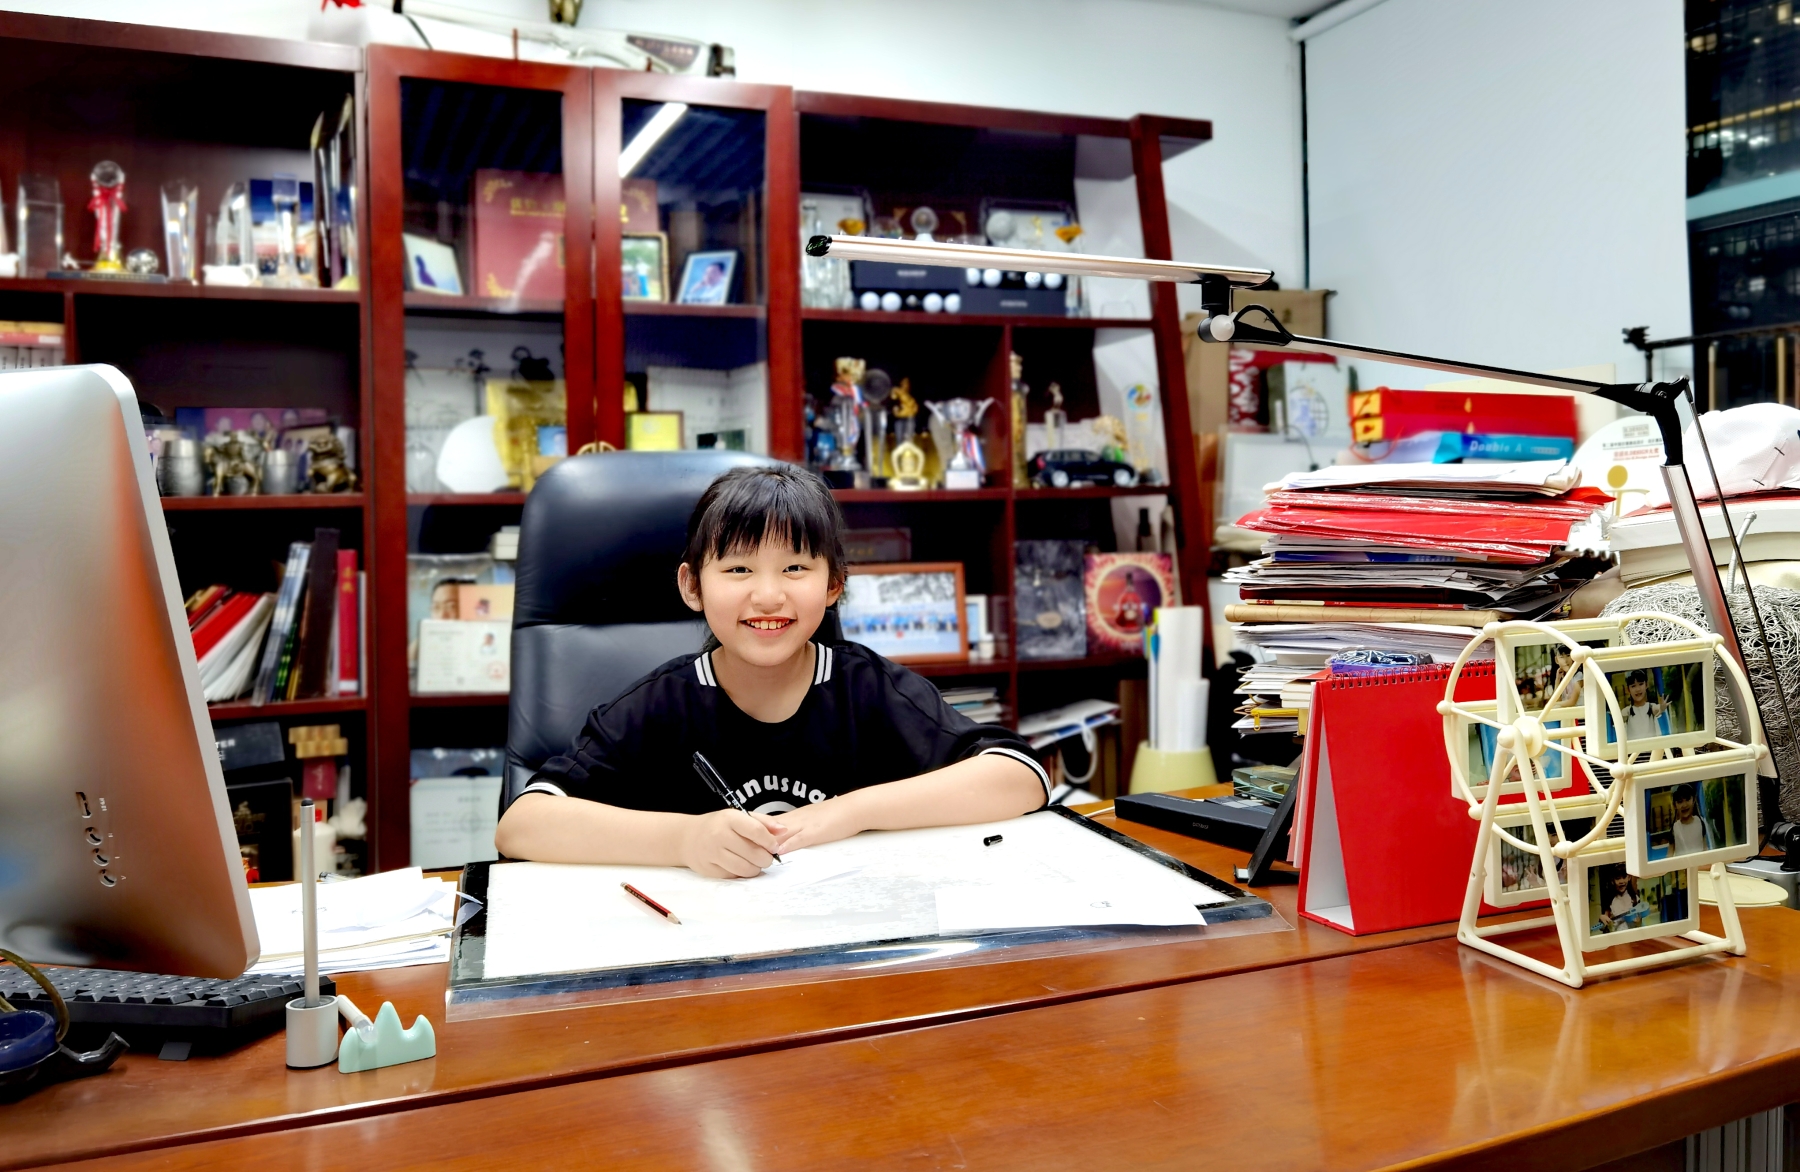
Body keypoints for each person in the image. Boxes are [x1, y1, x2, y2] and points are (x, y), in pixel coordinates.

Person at [494, 465, 1049, 877]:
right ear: (692, 586)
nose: (767, 595)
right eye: (738, 569)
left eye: (795, 567)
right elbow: (522, 826)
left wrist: (851, 812)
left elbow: (1021, 775)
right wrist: (684, 840)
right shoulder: (662, 704)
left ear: (833, 585)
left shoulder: (865, 688)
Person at [1619, 669, 1668, 743]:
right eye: (1633, 686)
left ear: (1646, 685)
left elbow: (1658, 709)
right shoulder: (1628, 711)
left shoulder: (1651, 707)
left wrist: (1662, 707)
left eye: (1641, 684)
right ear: (1628, 690)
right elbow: (1620, 718)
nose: (1638, 689)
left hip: (1651, 747)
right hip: (1634, 749)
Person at [1668, 784, 1710, 855]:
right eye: (1680, 801)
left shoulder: (1700, 822)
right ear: (1675, 805)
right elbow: (1670, 854)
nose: (1684, 805)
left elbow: (1705, 847)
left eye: (1687, 799)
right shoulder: (1674, 828)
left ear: (1694, 800)